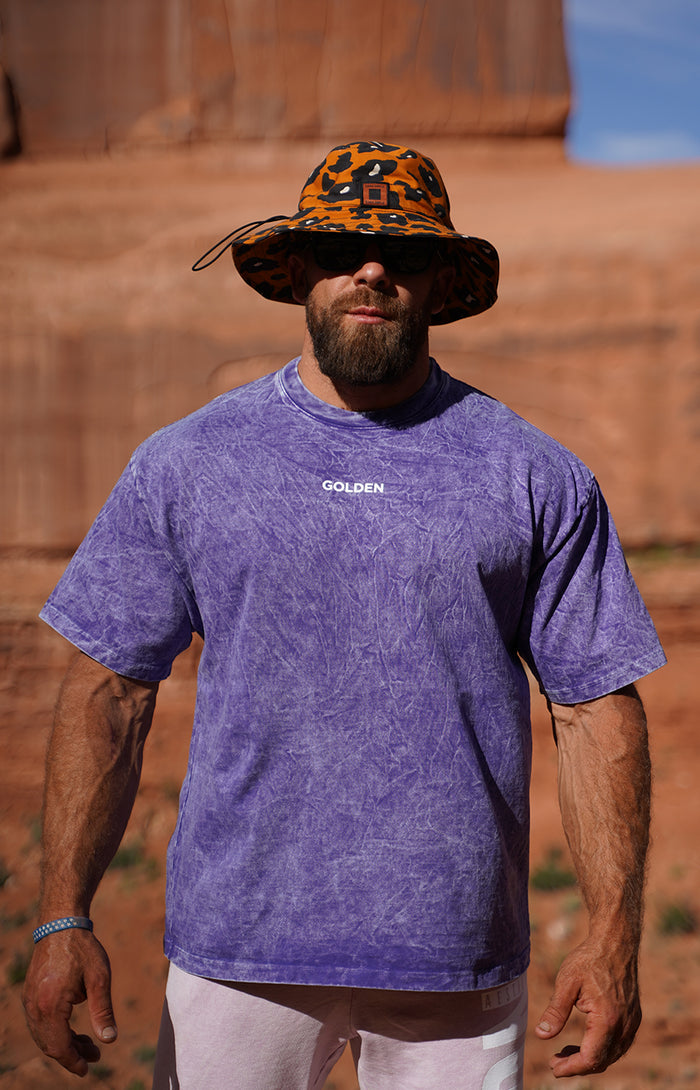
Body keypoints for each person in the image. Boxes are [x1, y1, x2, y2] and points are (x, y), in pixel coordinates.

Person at [23, 140, 665, 1089]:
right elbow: (109, 687)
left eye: (403, 254)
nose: (370, 270)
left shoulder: (536, 474)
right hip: (236, 956)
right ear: (297, 275)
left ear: (441, 281)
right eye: (337, 248)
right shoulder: (189, 463)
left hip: (457, 960)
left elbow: (595, 709)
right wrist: (61, 913)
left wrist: (612, 936)